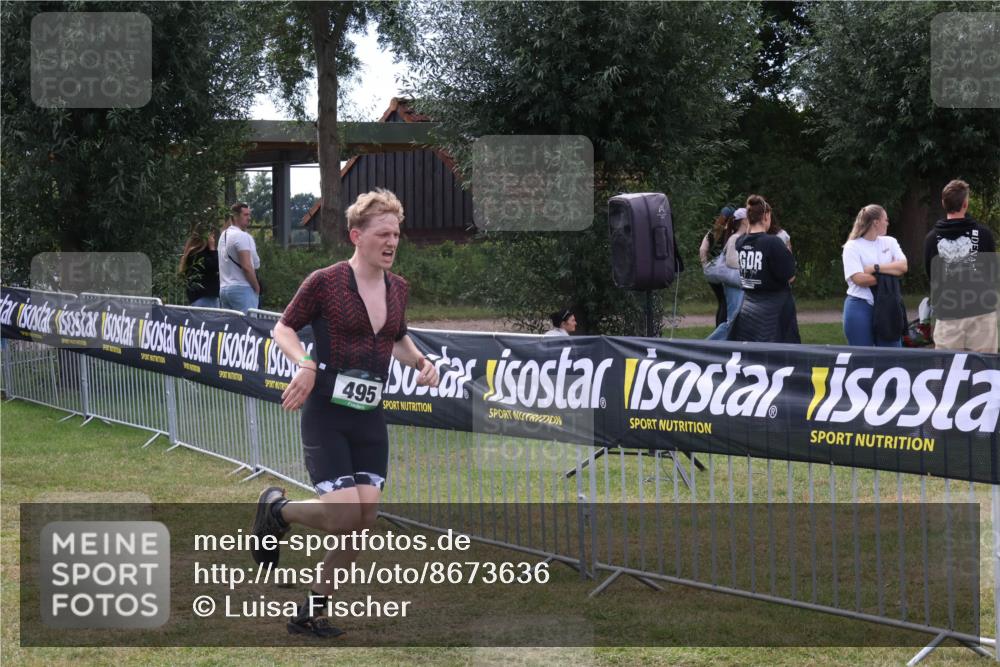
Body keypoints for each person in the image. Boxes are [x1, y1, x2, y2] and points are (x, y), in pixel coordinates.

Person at [251, 189, 439, 638]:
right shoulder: (325, 281)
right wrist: (305, 363)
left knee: (362, 522)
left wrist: (420, 362)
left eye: (396, 233)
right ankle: (279, 511)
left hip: (369, 415)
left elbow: (397, 336)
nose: (392, 242)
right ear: (358, 235)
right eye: (383, 234)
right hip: (327, 414)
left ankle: (310, 611)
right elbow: (283, 327)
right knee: (341, 517)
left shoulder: (399, 288)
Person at [924, 179, 998, 353]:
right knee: (984, 371)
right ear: (966, 204)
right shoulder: (984, 234)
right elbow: (992, 273)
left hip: (948, 312)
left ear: (943, 203)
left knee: (949, 372)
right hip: (981, 310)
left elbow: (931, 275)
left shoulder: (931, 238)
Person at [727, 195, 800, 344]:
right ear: (766, 216)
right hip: (774, 311)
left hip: (748, 307)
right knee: (777, 358)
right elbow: (790, 276)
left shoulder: (741, 242)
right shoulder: (773, 242)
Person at [841, 204, 908, 346]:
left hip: (889, 305)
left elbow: (903, 266)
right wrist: (890, 275)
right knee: (862, 359)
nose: (888, 223)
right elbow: (859, 279)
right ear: (876, 222)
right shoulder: (852, 246)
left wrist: (874, 268)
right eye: (886, 219)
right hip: (860, 305)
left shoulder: (890, 242)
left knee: (892, 358)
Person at [706, 207, 748, 340]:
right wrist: (748, 267)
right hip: (733, 283)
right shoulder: (734, 238)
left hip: (736, 282)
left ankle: (729, 347)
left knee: (737, 319)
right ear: (745, 221)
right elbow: (731, 261)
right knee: (732, 321)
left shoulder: (740, 237)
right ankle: (707, 346)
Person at [218, 202, 261, 313]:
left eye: (249, 215)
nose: (249, 218)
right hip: (242, 288)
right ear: (236, 216)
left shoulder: (223, 235)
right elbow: (248, 266)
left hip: (224, 289)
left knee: (230, 328)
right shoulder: (242, 236)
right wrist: (257, 288)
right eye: (245, 215)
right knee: (248, 327)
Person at [700, 206, 736, 326]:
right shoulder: (732, 233)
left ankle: (718, 326)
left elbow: (702, 250)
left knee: (721, 301)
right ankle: (724, 327)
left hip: (712, 271)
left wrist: (705, 265)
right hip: (725, 271)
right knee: (726, 302)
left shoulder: (712, 232)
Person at [178, 224, 220, 308]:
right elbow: (215, 266)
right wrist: (212, 249)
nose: (213, 239)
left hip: (198, 297)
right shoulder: (199, 253)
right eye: (211, 235)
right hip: (205, 297)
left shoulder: (192, 252)